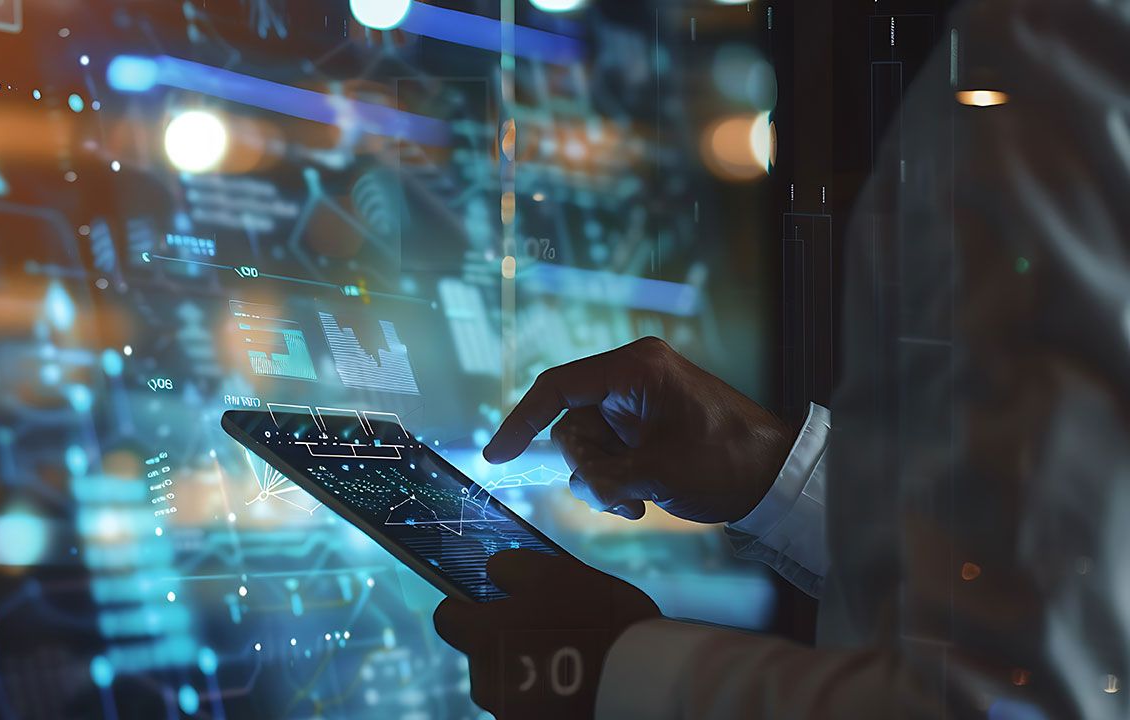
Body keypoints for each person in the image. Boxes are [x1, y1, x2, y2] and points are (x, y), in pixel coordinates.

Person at [433, 0, 1130, 717]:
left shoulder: (1048, 54)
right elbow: (1058, 578)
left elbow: (1011, 697)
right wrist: (779, 474)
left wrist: (614, 671)